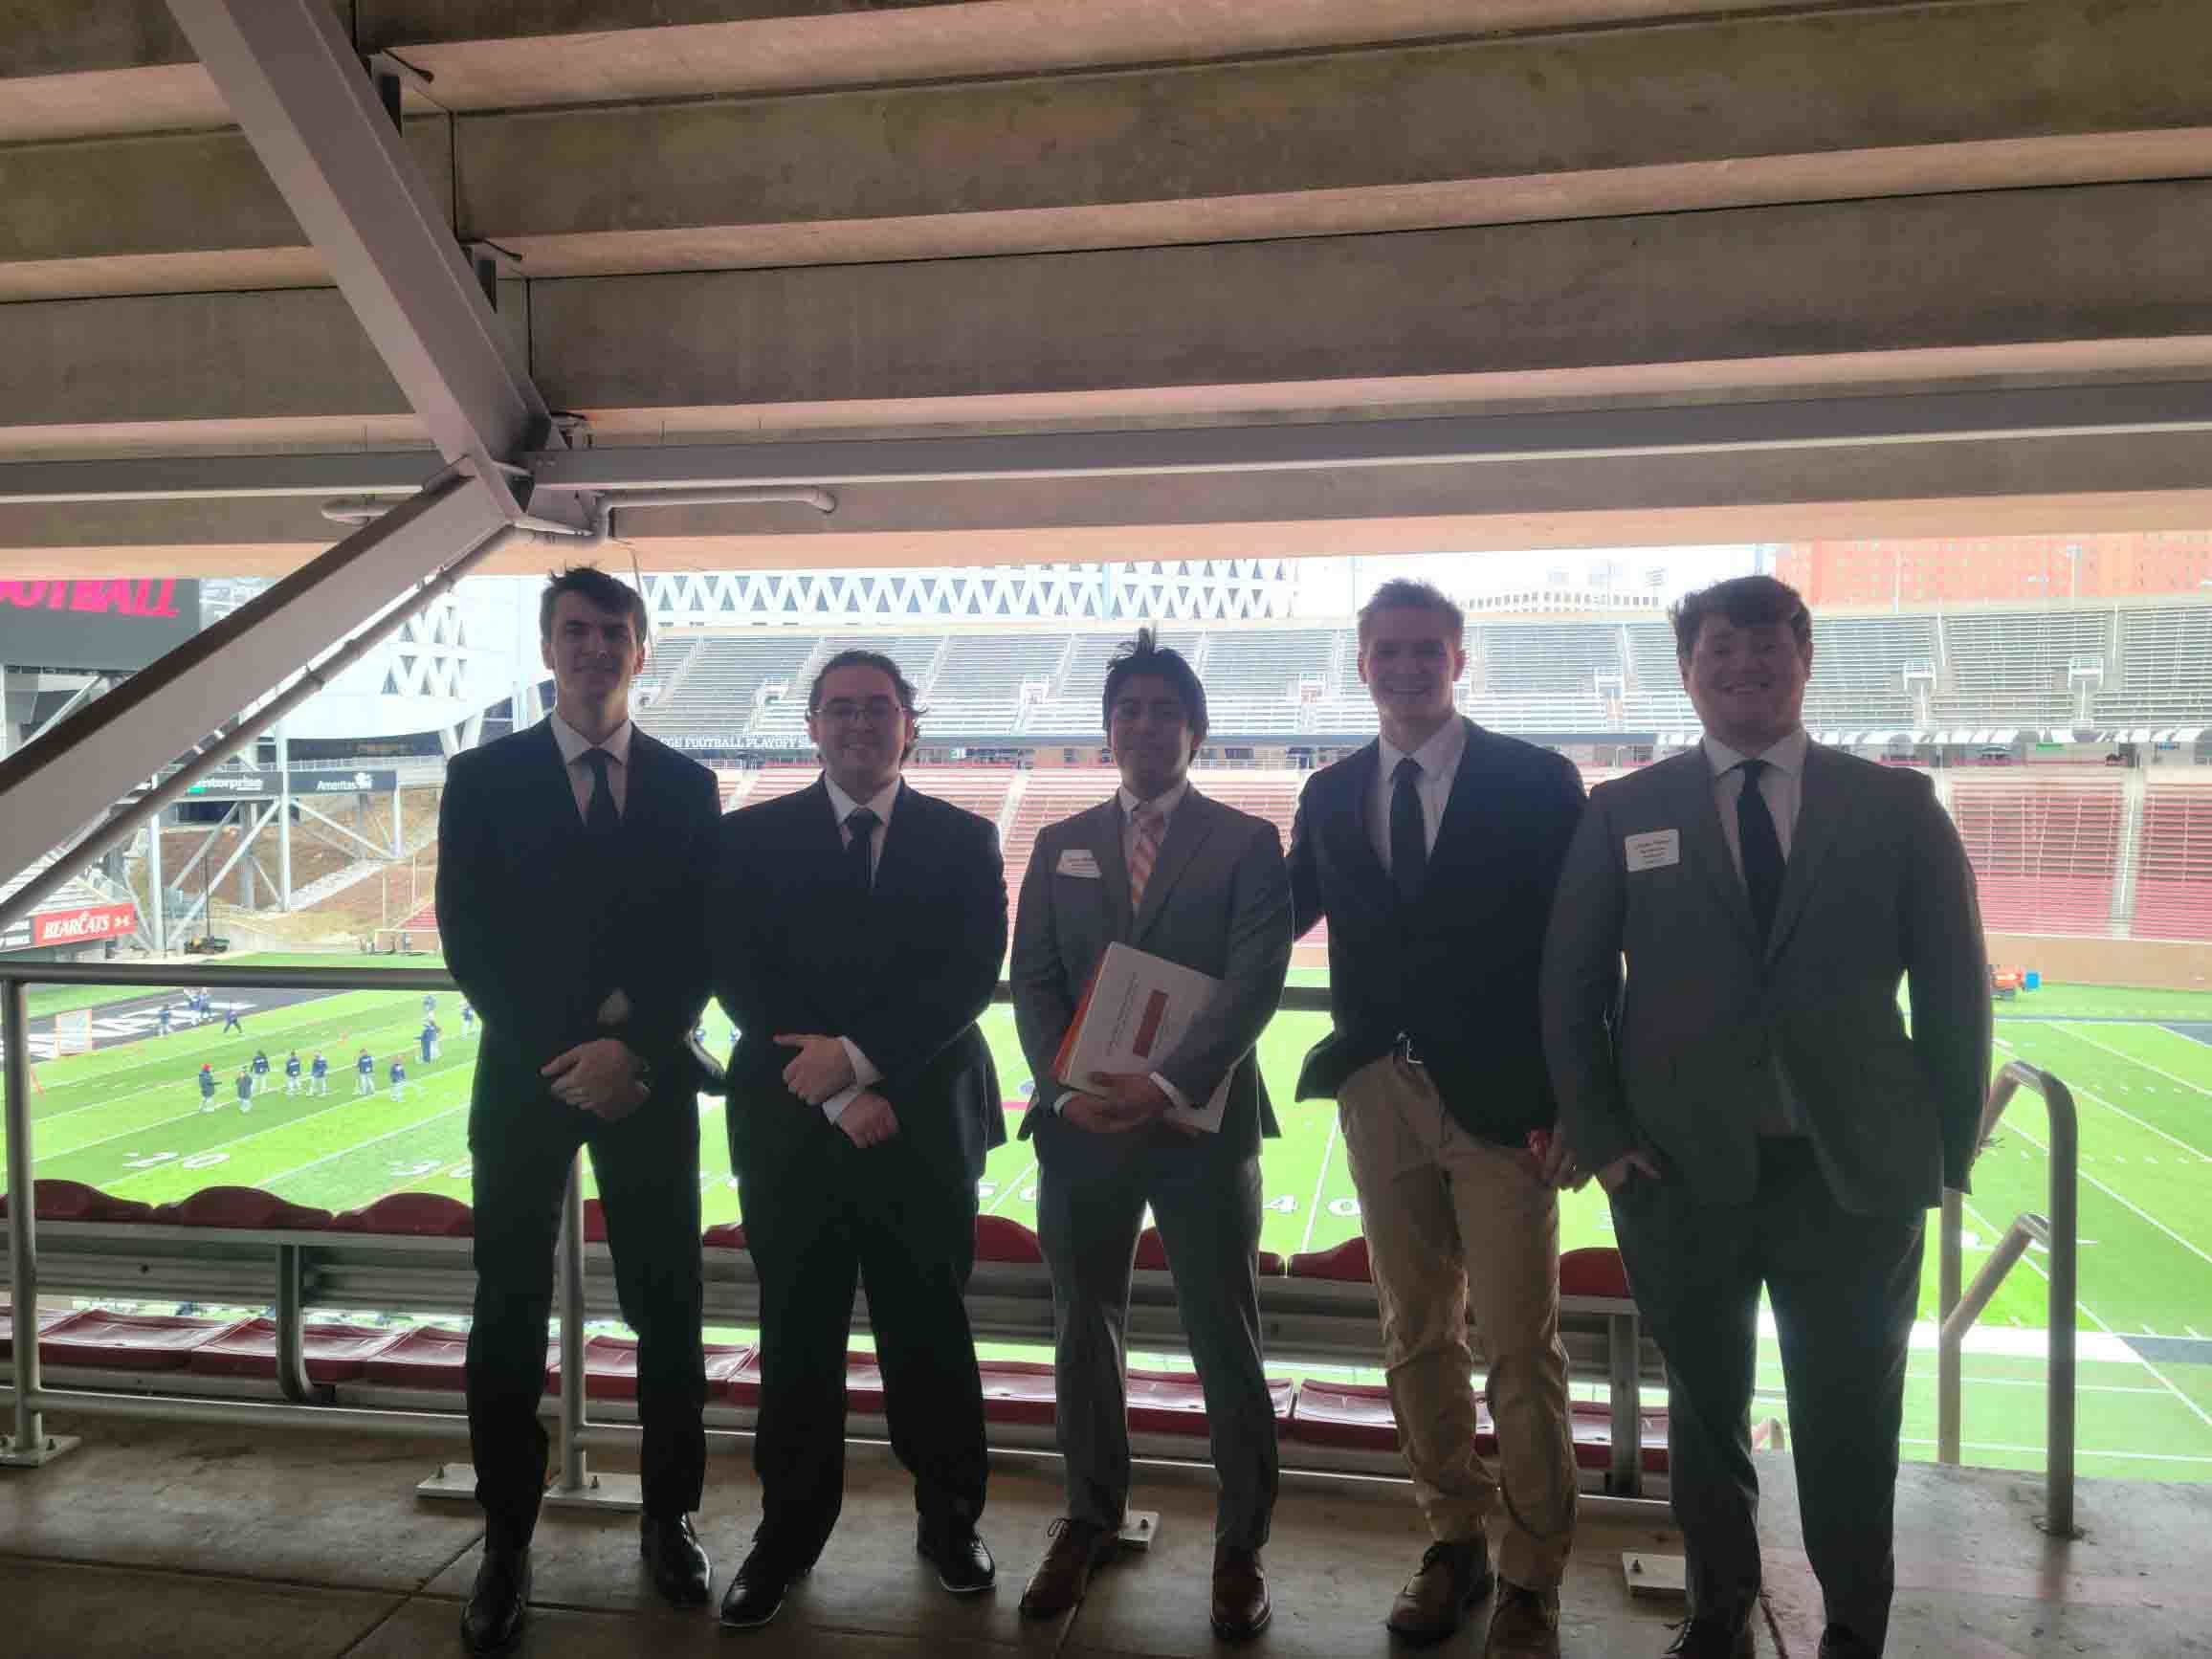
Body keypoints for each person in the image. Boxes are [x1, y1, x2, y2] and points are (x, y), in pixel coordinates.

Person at [1541, 575, 1990, 1659]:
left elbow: (1953, 988)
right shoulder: (1625, 810)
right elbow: (1569, 987)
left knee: (1851, 1414)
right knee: (1703, 1416)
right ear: (1686, 670)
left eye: (1766, 649)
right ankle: (1716, 1611)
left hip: (1853, 1175)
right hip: (1676, 1174)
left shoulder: (1895, 807)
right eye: (1718, 652)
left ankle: (1853, 1627)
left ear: (1804, 661)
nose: (1743, 668)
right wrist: (1603, 1141)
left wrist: (1942, 1153)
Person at [1282, 579, 1588, 1658]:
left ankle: (1533, 1573)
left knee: (1518, 1343)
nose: (1406, 667)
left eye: (1426, 649)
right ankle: (1453, 1537)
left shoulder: (1535, 781)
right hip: (1379, 1093)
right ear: (1360, 662)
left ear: (1460, 660)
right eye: (1387, 650)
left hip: (1507, 1102)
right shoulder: (1329, 794)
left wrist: (1577, 1098)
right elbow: (1266, 921)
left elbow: (1581, 948)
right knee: (1413, 1332)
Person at [436, 564, 721, 1654]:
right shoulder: (482, 777)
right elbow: (468, 935)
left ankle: (669, 1515)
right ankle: (505, 1539)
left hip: (648, 1079)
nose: (594, 648)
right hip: (526, 1075)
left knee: (668, 1307)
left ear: (641, 651)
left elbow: (704, 939)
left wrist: (633, 1049)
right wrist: (569, 1053)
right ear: (549, 647)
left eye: (613, 632)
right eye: (575, 631)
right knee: (507, 1309)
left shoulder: (688, 786)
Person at [707, 647, 1006, 1632]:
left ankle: (950, 1520)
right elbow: (741, 977)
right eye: (839, 709)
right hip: (795, 1129)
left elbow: (966, 975)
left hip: (922, 1126)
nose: (859, 724)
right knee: (797, 1340)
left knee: (931, 1336)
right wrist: (838, 1093)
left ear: (909, 724)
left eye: (877, 708)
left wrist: (866, 1061)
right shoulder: (749, 838)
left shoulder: (963, 839)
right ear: (811, 727)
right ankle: (785, 1534)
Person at [1010, 630, 1293, 1642]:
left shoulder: (1245, 842)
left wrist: (1167, 1082)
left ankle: (1240, 1543)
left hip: (1198, 1126)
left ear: (1195, 730)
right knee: (1082, 1327)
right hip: (1084, 1126)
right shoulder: (1060, 840)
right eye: (1127, 710)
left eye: (1163, 711)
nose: (1144, 726)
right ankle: (1088, 1516)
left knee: (1224, 1331)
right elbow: (1034, 979)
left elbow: (1256, 981)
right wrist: (1064, 1088)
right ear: (1107, 729)